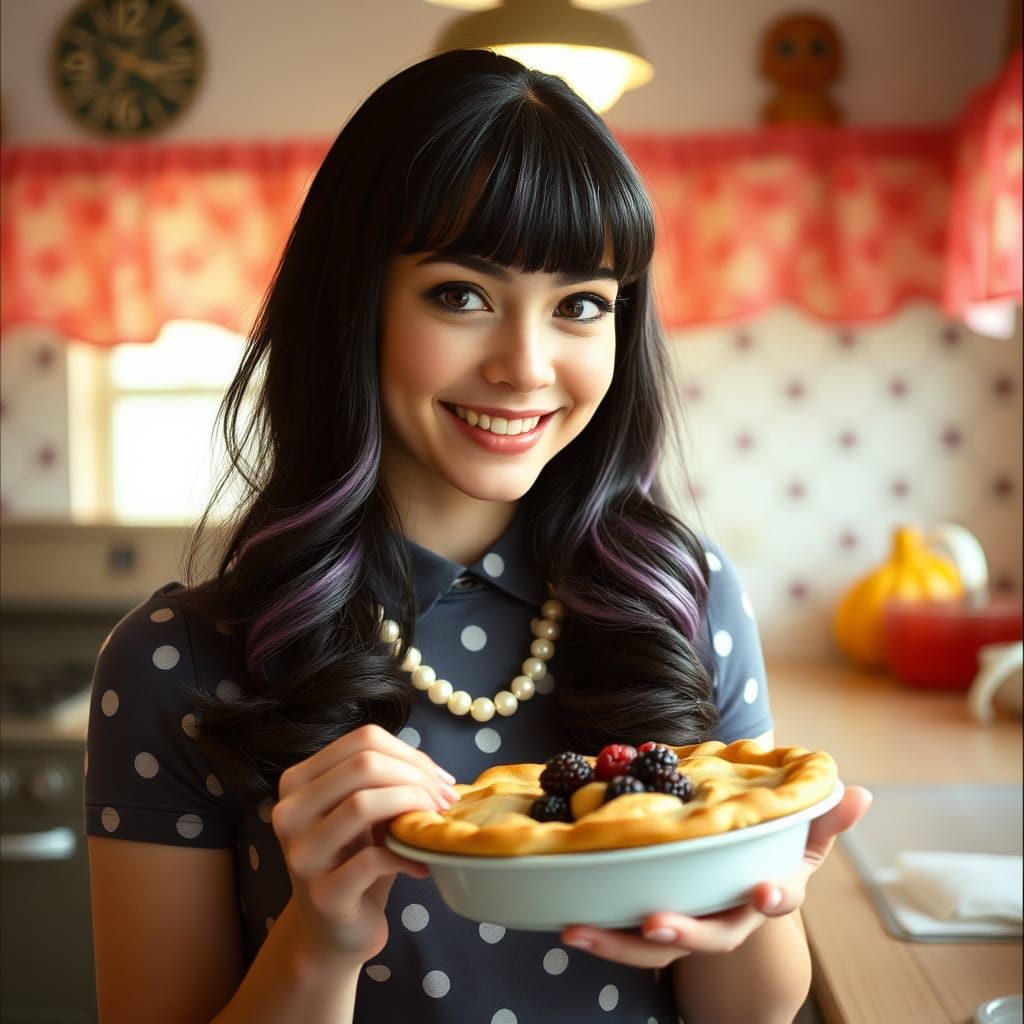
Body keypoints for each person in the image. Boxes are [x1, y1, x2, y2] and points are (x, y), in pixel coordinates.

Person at [85, 48, 870, 1024]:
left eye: (581, 304)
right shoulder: (172, 663)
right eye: (461, 294)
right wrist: (319, 936)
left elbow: (745, 1013)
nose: (525, 366)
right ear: (354, 303)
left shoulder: (683, 595)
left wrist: (757, 895)